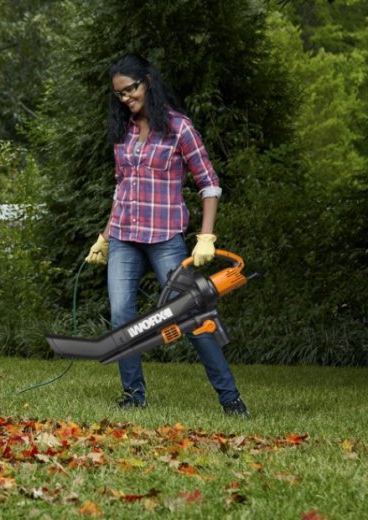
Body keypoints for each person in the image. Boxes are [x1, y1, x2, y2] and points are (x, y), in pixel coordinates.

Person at [85, 54, 249, 417]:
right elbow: (121, 186)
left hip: (165, 238)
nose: (126, 98)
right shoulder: (123, 131)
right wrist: (106, 234)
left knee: (192, 315)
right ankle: (133, 394)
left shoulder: (179, 127)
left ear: (148, 81)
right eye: (119, 94)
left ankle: (230, 399)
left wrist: (206, 237)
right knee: (122, 316)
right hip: (125, 237)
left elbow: (209, 184)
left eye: (131, 89)